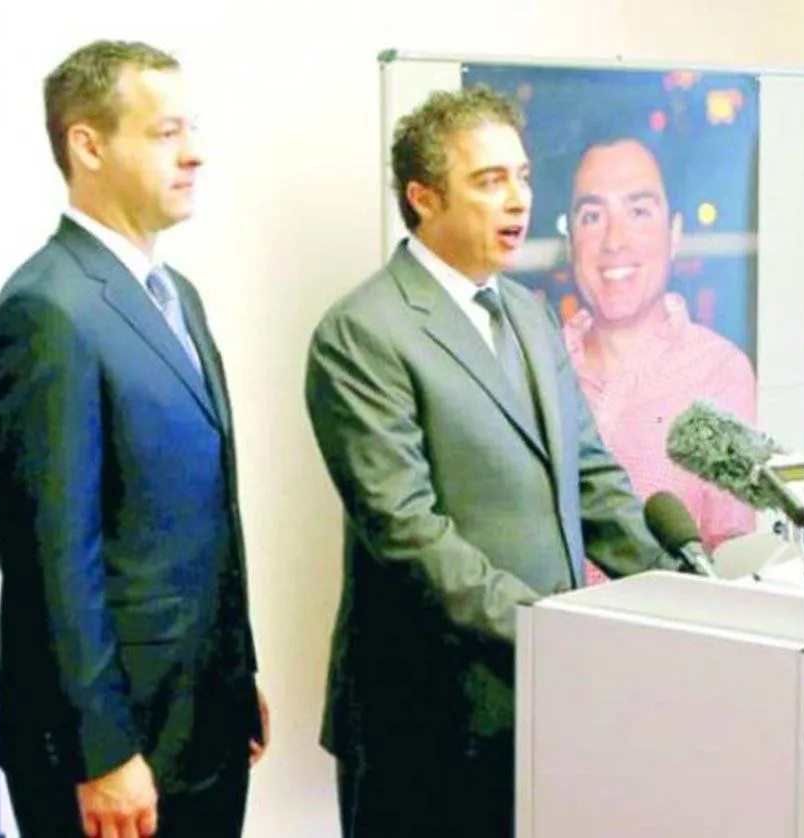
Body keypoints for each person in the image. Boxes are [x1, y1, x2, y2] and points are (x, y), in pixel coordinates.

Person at [304, 87, 685, 837]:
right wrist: (547, 631)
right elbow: (407, 531)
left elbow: (592, 478)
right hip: (426, 715)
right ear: (422, 199)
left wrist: (678, 597)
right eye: (488, 181)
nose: (517, 200)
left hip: (544, 701)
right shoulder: (363, 332)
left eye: (521, 177)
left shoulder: (530, 312)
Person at [0, 40, 265, 838]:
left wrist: (237, 677)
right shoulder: (46, 312)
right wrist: (100, 753)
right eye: (166, 132)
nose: (195, 152)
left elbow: (200, 521)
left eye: (192, 129)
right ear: (88, 145)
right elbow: (51, 561)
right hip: (110, 754)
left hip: (200, 721)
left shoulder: (180, 298)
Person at [561, 132, 758, 573]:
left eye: (639, 211)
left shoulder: (718, 373)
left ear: (675, 234)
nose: (614, 240)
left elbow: (730, 556)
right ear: (570, 239)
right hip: (542, 637)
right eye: (593, 216)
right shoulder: (534, 365)